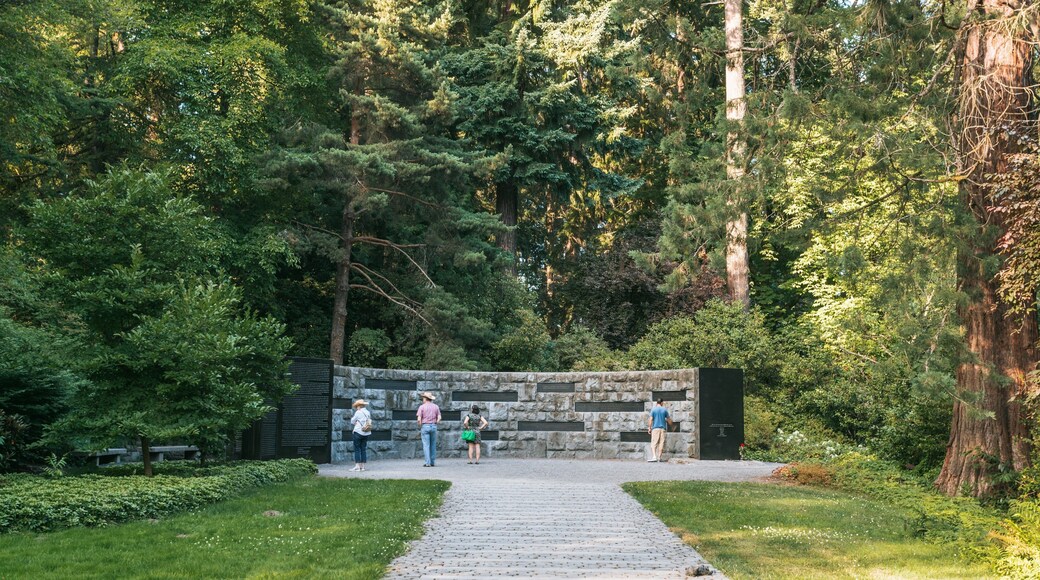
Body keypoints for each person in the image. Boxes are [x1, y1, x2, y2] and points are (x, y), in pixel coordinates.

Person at [416, 391, 441, 467]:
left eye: (423, 398)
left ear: (425, 398)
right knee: (433, 445)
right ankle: (432, 462)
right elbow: (439, 417)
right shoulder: (436, 406)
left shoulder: (422, 407)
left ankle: (427, 463)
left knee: (426, 445)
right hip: (433, 426)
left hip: (425, 426)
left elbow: (419, 419)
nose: (422, 399)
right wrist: (436, 423)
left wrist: (420, 425)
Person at [647, 398, 673, 462]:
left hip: (655, 428)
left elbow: (650, 419)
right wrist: (672, 425)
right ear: (661, 403)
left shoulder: (653, 410)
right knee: (661, 443)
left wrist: (649, 428)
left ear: (657, 403)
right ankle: (659, 457)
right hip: (662, 429)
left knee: (654, 443)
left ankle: (654, 457)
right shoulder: (664, 410)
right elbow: (669, 420)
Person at [350, 399, 372, 471]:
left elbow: (352, 421)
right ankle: (362, 466)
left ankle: (357, 466)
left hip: (358, 432)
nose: (356, 407)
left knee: (357, 449)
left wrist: (356, 422)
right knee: (363, 449)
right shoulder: (368, 412)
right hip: (366, 432)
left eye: (356, 406)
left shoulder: (358, 412)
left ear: (359, 406)